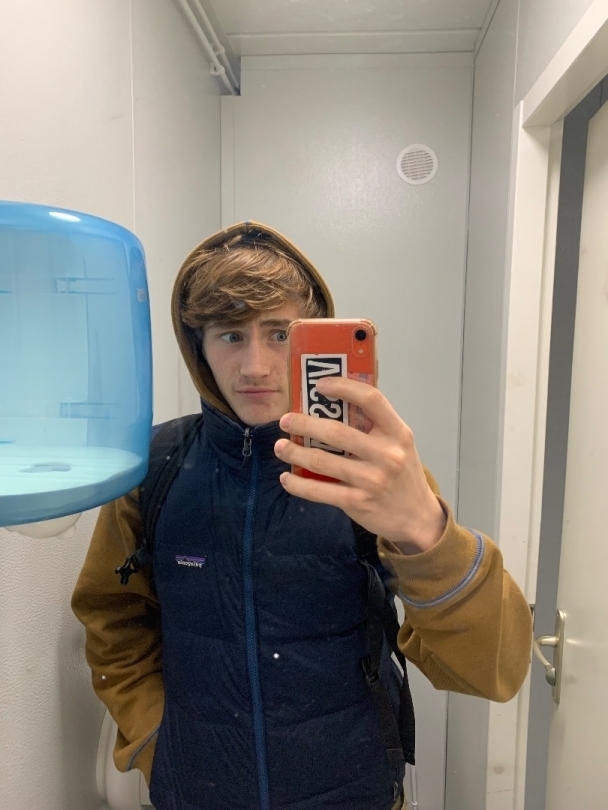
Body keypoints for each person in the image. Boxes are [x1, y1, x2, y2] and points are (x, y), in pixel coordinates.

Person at [72, 221, 532, 810]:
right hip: (195, 792)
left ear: (315, 339)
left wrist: (426, 529)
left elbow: (492, 673)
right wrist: (153, 741)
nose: (255, 366)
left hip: (357, 792)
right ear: (197, 346)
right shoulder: (154, 468)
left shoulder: (369, 474)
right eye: (230, 334)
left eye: (279, 333)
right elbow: (111, 621)